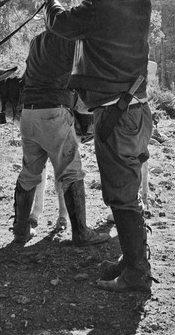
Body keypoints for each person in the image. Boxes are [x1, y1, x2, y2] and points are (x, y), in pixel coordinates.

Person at [43, 0, 156, 293]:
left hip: (114, 115)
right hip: (137, 111)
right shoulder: (141, 3)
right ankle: (131, 258)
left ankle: (137, 272)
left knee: (120, 196)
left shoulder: (99, 7)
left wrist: (51, 0)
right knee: (128, 188)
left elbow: (61, 24)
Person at [13, 28, 110, 247]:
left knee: (29, 172)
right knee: (71, 171)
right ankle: (82, 233)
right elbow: (84, 75)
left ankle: (20, 231)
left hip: (28, 113)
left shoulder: (36, 41)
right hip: (53, 113)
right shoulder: (71, 38)